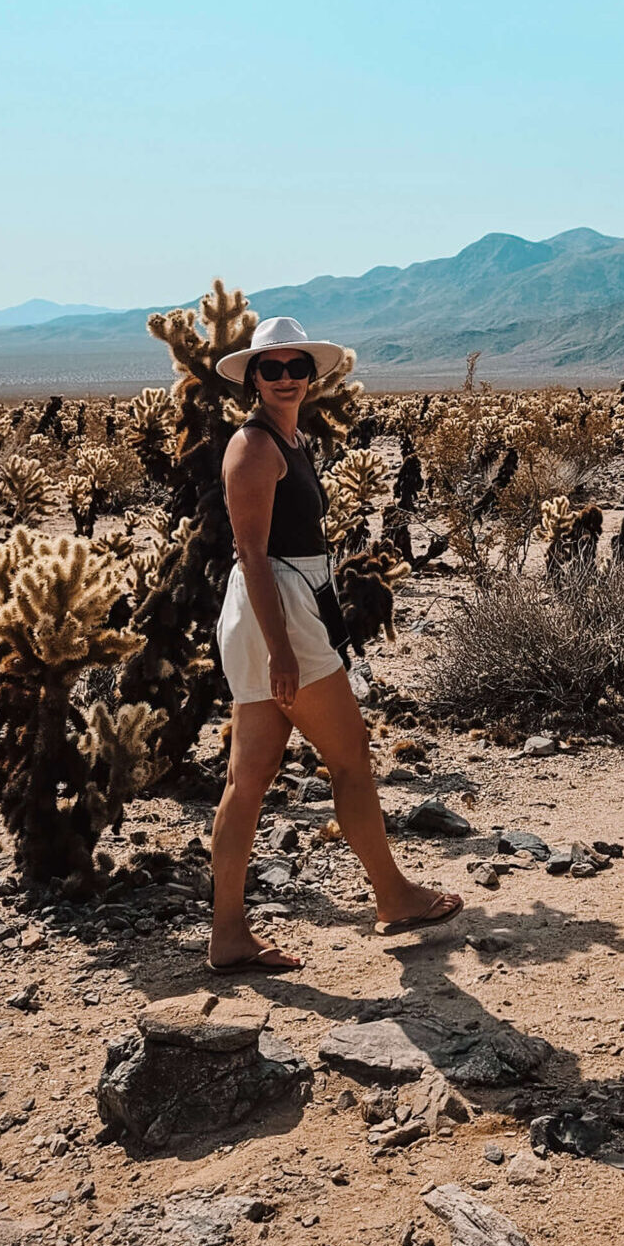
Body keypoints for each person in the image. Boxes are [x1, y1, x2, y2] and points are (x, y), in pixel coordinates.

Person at [208, 315, 462, 972]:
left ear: (311, 376)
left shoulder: (286, 440)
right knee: (348, 752)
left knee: (250, 776)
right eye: (272, 368)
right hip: (277, 612)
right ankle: (393, 894)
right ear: (253, 378)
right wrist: (283, 649)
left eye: (297, 367)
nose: (286, 378)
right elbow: (251, 553)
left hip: (285, 608)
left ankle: (229, 934)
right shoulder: (255, 447)